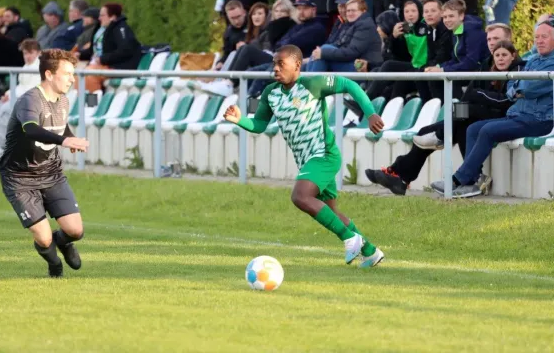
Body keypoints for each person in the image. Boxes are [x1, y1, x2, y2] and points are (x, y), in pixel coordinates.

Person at [223, 44, 386, 267]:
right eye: (274, 64)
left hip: (324, 155)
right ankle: (370, 252)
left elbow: (349, 84)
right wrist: (240, 120)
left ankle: (350, 239)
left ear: (297, 65)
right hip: (307, 160)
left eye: (282, 64)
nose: (276, 69)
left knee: (300, 197)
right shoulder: (271, 93)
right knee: (331, 212)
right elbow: (260, 124)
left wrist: (371, 113)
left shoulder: (312, 84)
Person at [366, 40, 524, 195]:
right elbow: (467, 95)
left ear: (513, 55)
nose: (500, 58)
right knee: (427, 130)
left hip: (502, 117)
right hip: (476, 115)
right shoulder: (486, 66)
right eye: (497, 54)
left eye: (504, 54)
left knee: (465, 115)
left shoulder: (519, 70)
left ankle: (403, 171)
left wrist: (479, 95)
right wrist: (477, 98)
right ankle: (400, 176)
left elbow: (505, 101)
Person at [431, 18, 554, 198]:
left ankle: (456, 178)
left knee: (479, 123)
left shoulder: (544, 62)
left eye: (545, 36)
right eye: (537, 37)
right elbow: (513, 85)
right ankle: (468, 175)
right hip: (513, 114)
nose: (539, 40)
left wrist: (518, 88)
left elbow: (523, 88)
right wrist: (518, 88)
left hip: (535, 118)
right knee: (469, 123)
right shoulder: (526, 60)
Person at [0, 49, 90, 277]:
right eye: (67, 73)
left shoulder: (64, 100)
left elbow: (59, 125)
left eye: (73, 74)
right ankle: (53, 263)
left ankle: (64, 242)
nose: (71, 79)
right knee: (43, 237)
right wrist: (64, 140)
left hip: (51, 173)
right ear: (49, 74)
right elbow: (31, 129)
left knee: (75, 231)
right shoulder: (30, 99)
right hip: (19, 178)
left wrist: (71, 137)